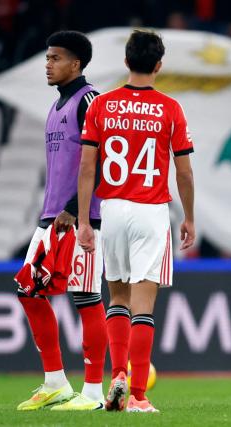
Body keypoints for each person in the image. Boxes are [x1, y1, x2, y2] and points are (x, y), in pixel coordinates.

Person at [77, 29, 195, 413]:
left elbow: (87, 168)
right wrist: (190, 217)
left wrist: (83, 221)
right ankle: (139, 397)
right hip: (150, 210)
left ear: (126, 62)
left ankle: (117, 377)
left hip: (111, 210)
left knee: (118, 299)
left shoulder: (102, 105)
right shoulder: (170, 109)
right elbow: (184, 173)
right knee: (143, 306)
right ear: (159, 65)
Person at [16, 30, 108, 411]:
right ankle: (54, 382)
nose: (48, 64)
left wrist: (76, 208)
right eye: (48, 57)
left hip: (82, 218)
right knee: (28, 290)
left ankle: (93, 394)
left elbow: (104, 159)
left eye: (55, 58)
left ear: (76, 63)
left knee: (87, 298)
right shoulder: (56, 107)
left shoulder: (90, 100)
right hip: (51, 219)